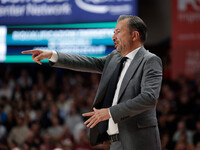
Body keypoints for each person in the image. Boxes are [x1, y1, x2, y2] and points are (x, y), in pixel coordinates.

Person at [22, 15, 163, 150]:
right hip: (115, 142)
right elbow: (89, 62)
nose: (113, 37)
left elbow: (149, 98)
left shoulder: (149, 60)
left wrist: (109, 112)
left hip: (140, 141)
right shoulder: (114, 58)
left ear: (134, 35)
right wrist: (53, 55)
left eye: (118, 32)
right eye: (114, 32)